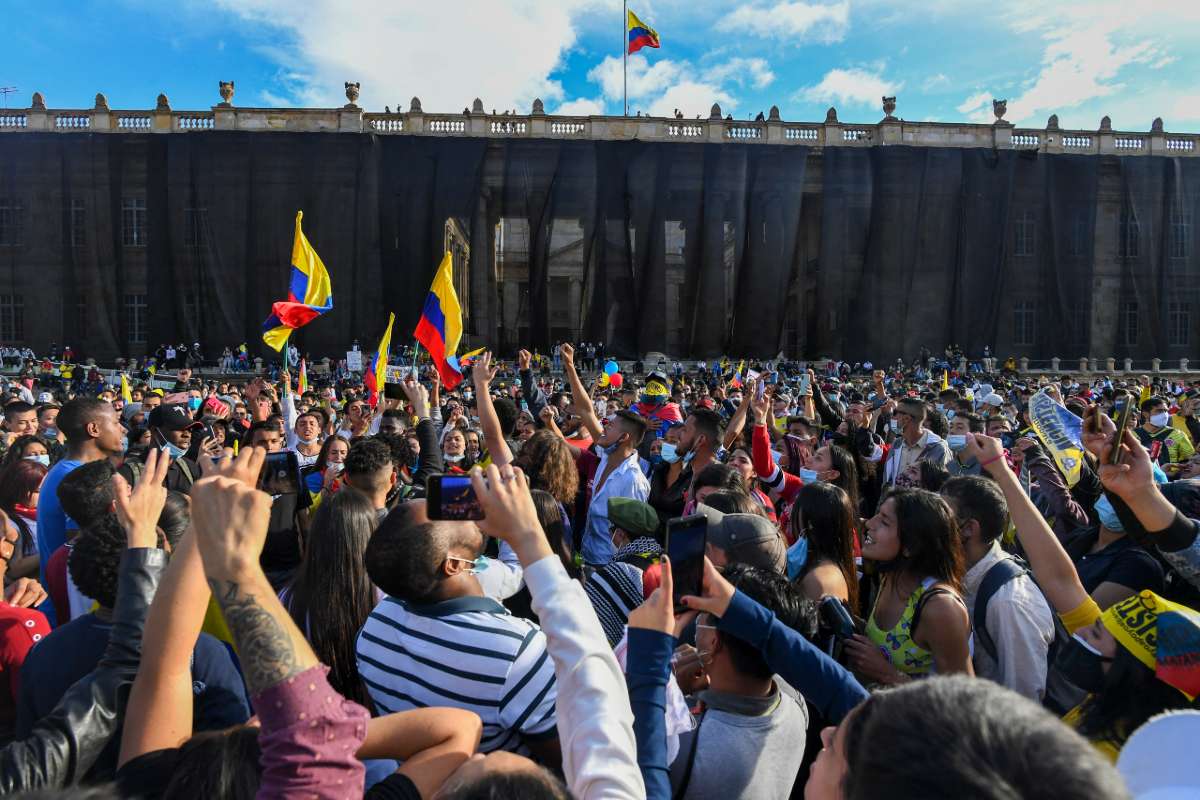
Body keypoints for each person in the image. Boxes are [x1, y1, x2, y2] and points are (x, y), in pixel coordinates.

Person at [963, 426, 1198, 761]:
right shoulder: (1102, 705)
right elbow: (1060, 579)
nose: (1083, 630)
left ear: (1136, 673)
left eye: (1100, 631)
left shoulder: (1138, 768)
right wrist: (1001, 470)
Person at [16, 509, 250, 779]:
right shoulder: (202, 651)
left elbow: (31, 747)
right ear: (156, 571)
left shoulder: (43, 652)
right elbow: (235, 755)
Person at [356, 503, 561, 763]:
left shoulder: (376, 624)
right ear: (452, 564)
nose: (458, 508)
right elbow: (566, 760)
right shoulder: (516, 652)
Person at [671, 564, 812, 799]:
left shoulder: (683, 741)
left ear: (714, 641)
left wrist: (667, 695)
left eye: (703, 612)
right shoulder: (796, 706)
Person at [939, 476, 1056, 701]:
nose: (933, 520)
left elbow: (1023, 700)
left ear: (969, 528)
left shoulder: (1009, 602)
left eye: (942, 514)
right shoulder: (956, 571)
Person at [845, 488, 973, 682]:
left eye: (885, 521)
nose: (870, 524)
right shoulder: (890, 576)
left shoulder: (940, 607)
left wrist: (888, 674)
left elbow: (963, 697)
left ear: (911, 545)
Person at [281, 488, 377, 709]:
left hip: (311, 710)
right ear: (369, 536)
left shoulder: (288, 598)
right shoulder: (387, 599)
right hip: (374, 720)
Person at [37, 399, 126, 597]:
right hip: (73, 602)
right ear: (94, 429)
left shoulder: (67, 469)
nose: (123, 429)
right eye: (115, 422)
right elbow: (83, 546)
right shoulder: (78, 477)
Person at [787, 482, 860, 614]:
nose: (789, 511)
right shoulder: (825, 565)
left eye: (795, 506)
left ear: (810, 523)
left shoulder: (817, 580)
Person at [117, 404, 203, 494]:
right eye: (179, 428)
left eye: (190, 429)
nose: (187, 434)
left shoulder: (190, 468)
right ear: (155, 431)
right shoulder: (128, 473)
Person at [882, 397, 951, 487]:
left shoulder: (938, 448)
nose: (892, 417)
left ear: (906, 419)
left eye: (895, 413)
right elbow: (888, 480)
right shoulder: (897, 444)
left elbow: (940, 487)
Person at [0, 459, 47, 581]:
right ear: (17, 490)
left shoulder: (38, 514)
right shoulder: (9, 523)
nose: (45, 494)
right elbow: (15, 569)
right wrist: (51, 550)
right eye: (37, 491)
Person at [1135, 395, 1195, 466]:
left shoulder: (1177, 434)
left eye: (1166, 411)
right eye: (1159, 411)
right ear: (1145, 414)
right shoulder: (1133, 435)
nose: (1164, 415)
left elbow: (1191, 459)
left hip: (1169, 476)